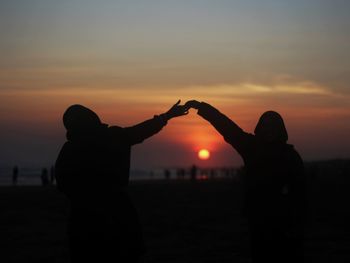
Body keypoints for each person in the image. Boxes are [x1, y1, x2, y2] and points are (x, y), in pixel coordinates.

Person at [55, 101, 188, 262]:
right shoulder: (114, 136)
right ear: (94, 119)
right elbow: (141, 131)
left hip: (83, 216)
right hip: (117, 211)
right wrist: (167, 116)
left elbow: (62, 183)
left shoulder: (69, 149)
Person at [185, 100, 306, 263]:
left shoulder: (290, 155)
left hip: (283, 217)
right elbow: (226, 126)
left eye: (273, 126)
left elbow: (301, 191)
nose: (269, 130)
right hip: (257, 215)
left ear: (280, 130)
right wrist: (203, 107)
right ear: (259, 128)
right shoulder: (250, 146)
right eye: (265, 125)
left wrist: (297, 221)